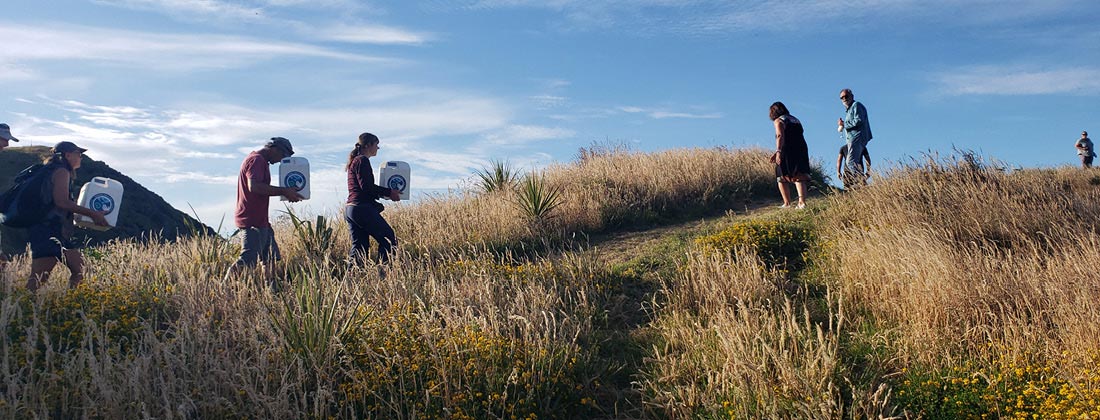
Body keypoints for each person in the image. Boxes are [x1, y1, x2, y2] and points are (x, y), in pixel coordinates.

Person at [25, 142, 109, 292]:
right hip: (48, 232)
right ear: (67, 155)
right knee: (37, 281)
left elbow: (56, 203)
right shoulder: (61, 171)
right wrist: (92, 214)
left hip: (49, 231)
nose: (81, 158)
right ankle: (19, 310)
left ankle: (70, 306)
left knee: (79, 269)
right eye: (79, 154)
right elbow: (61, 202)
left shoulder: (49, 170)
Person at [224, 137, 304, 282]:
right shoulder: (257, 160)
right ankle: (223, 289)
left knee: (270, 258)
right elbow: (254, 186)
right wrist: (284, 191)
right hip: (252, 220)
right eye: (282, 156)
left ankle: (271, 291)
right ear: (274, 149)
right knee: (248, 260)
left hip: (261, 220)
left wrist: (285, 191)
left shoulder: (259, 160)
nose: (281, 160)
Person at [345, 133, 400, 270]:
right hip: (362, 208)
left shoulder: (355, 161)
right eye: (376, 144)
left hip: (351, 209)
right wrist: (389, 192)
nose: (378, 148)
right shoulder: (362, 160)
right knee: (389, 239)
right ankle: (383, 276)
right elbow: (367, 187)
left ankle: (351, 280)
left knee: (360, 248)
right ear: (368, 145)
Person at [769, 102, 811, 209]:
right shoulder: (795, 119)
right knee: (799, 174)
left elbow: (780, 135)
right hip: (801, 147)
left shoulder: (778, 121)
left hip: (787, 149)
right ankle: (802, 202)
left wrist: (778, 151)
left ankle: (787, 203)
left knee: (781, 174)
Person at [837, 89, 873, 177]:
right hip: (854, 138)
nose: (844, 99)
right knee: (854, 161)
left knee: (850, 162)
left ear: (852, 96)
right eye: (842, 98)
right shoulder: (849, 110)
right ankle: (861, 183)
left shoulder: (856, 105)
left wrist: (844, 124)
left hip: (857, 136)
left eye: (846, 96)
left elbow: (858, 120)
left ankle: (861, 182)